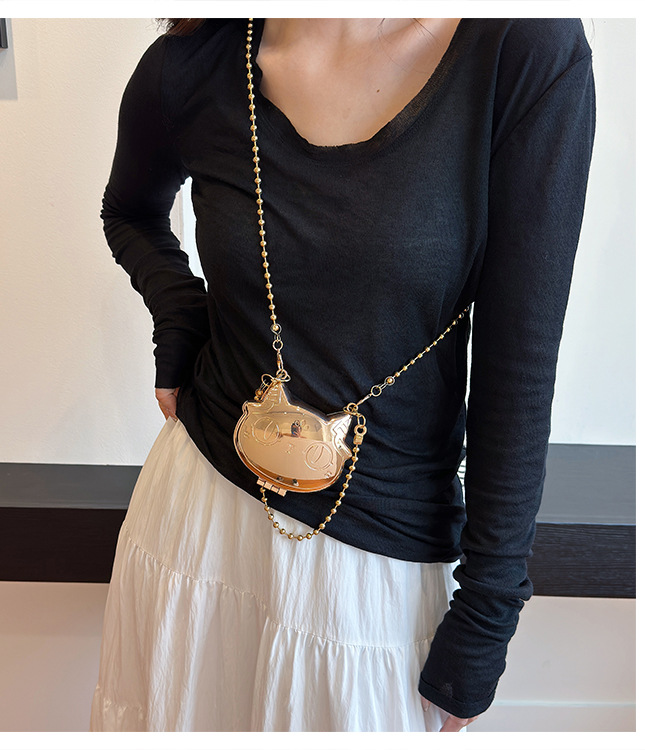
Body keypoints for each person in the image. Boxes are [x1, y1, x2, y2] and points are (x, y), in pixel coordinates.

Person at [89, 17, 596, 732]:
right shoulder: (200, 56)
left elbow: (519, 365)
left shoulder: (525, 46)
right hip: (197, 526)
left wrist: (487, 614)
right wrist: (181, 316)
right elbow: (130, 212)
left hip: (375, 580)